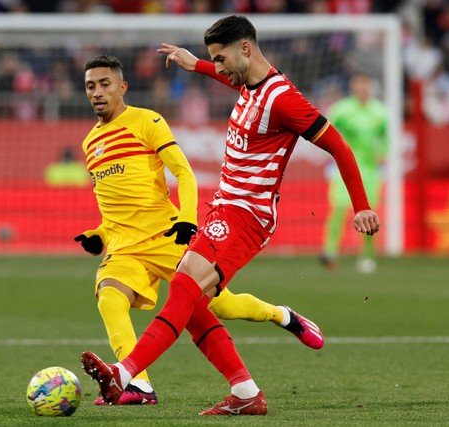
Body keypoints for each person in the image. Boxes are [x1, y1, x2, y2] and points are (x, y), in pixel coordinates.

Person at [80, 16, 380, 416]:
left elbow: (339, 147)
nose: (219, 68)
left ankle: (125, 373)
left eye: (220, 59)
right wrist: (196, 64)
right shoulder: (249, 83)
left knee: (184, 289)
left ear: (245, 49)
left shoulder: (283, 100)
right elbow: (230, 78)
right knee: (195, 306)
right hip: (225, 207)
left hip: (247, 216)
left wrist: (361, 206)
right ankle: (245, 392)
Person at [320, 72, 388, 273]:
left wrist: (382, 155)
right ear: (353, 86)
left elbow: (385, 138)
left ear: (369, 86)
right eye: (358, 84)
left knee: (369, 213)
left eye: (365, 84)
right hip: (344, 168)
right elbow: (327, 133)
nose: (361, 88)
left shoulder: (380, 112)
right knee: (339, 211)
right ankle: (330, 252)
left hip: (369, 170)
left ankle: (366, 256)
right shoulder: (341, 110)